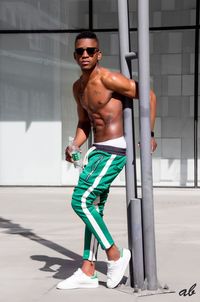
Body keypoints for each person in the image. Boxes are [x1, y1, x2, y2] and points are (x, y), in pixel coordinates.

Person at [57, 31, 157, 290]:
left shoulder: (109, 78)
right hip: (96, 150)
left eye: (91, 51)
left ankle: (115, 255)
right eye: (81, 51)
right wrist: (74, 144)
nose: (86, 55)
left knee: (80, 200)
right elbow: (84, 122)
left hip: (114, 150)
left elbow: (149, 95)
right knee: (94, 208)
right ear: (75, 55)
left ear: (98, 53)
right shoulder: (78, 87)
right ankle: (88, 270)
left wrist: (149, 134)